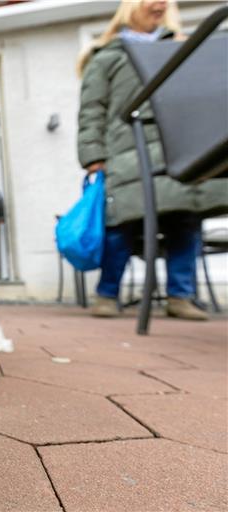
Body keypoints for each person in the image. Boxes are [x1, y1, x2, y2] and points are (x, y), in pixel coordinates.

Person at [77, 0, 228, 320]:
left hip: (180, 144)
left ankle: (180, 295)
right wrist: (93, 154)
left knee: (186, 218)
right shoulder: (108, 55)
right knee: (122, 223)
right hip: (127, 150)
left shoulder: (182, 48)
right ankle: (107, 293)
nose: (159, 3)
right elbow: (92, 108)